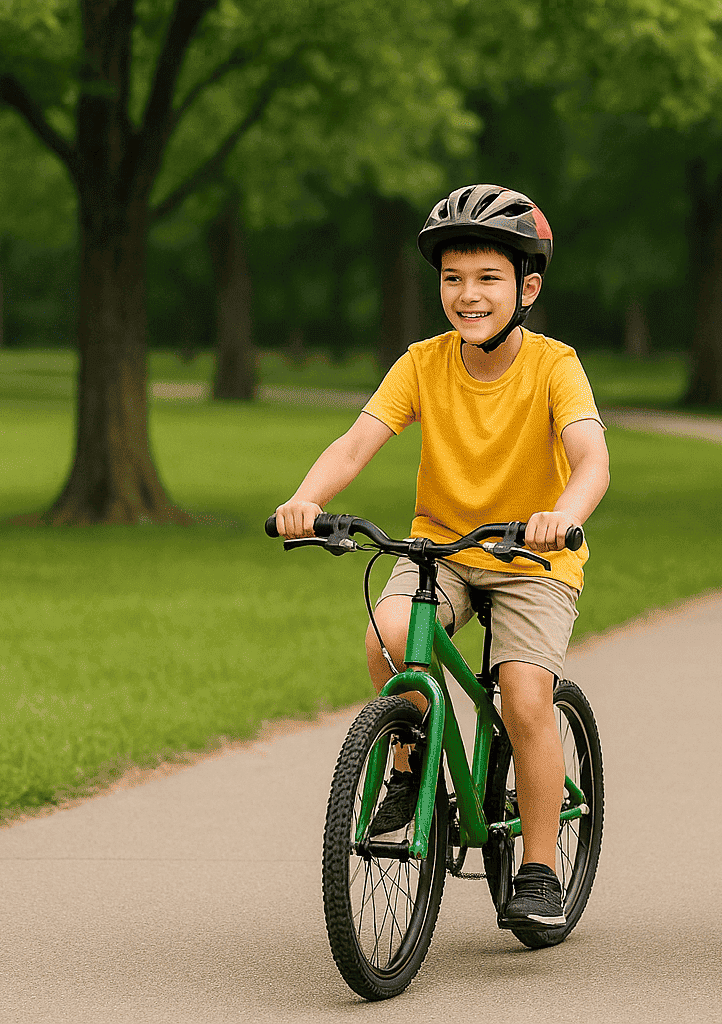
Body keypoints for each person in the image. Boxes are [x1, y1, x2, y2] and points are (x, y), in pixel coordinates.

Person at [274, 184, 611, 931]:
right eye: (453, 278)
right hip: (442, 548)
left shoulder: (556, 365)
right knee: (389, 638)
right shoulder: (423, 363)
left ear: (527, 288)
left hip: (532, 555)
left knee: (525, 697)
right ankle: (406, 764)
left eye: (487, 279)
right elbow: (357, 442)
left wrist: (563, 516)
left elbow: (592, 458)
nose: (467, 295)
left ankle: (541, 867)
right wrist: (305, 499)